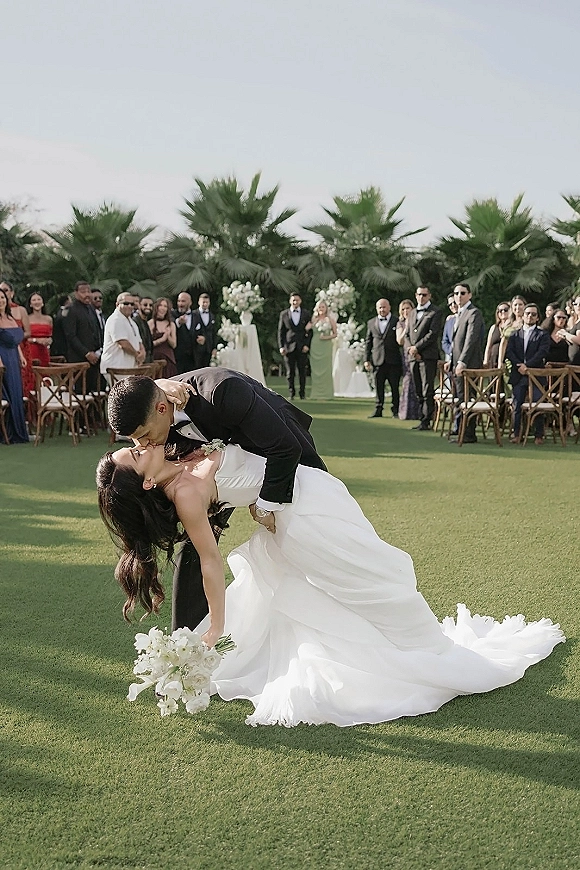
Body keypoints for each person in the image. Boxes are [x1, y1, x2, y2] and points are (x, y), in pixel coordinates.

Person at [97, 436, 564, 727]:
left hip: (311, 496)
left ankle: (420, 642)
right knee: (377, 583)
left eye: (135, 444)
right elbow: (210, 562)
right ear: (145, 483)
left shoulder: (179, 453)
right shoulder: (184, 495)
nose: (141, 445)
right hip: (302, 526)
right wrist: (216, 626)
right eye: (135, 455)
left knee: (378, 574)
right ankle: (428, 652)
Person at [106, 368, 327, 630]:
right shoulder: (156, 409)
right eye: (134, 440)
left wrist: (265, 505)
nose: (142, 444)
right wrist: (158, 383)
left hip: (283, 456)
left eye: (143, 435)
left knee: (315, 545)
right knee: (194, 550)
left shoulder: (222, 392)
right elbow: (143, 395)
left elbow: (285, 448)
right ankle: (187, 642)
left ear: (162, 410)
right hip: (213, 475)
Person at [505, 303, 551, 445]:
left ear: (538, 318)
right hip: (518, 374)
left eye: (533, 314)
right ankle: (517, 434)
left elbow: (542, 352)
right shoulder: (514, 334)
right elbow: (509, 352)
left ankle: (538, 435)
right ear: (523, 315)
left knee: (537, 404)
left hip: (535, 374)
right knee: (517, 405)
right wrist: (520, 365)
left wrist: (528, 365)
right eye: (527, 313)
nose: (530, 316)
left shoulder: (542, 334)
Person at [446, 283, 485, 444]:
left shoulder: (473, 313)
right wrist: (451, 360)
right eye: (456, 293)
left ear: (469, 295)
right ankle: (462, 431)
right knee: (460, 399)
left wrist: (462, 361)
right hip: (456, 364)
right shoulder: (459, 314)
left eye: (462, 293)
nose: (459, 296)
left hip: (468, 365)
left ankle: (469, 434)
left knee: (467, 399)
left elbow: (471, 340)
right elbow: (454, 341)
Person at [403, 287, 442, 430]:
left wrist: (417, 348)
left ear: (429, 296)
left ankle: (427, 420)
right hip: (413, 356)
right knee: (418, 388)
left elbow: (432, 334)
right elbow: (407, 334)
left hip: (427, 356)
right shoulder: (412, 313)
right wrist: (410, 349)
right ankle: (421, 418)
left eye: (424, 295)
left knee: (427, 389)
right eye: (419, 294)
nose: (421, 297)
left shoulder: (435, 312)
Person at [364, 298, 402, 418]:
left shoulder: (397, 321)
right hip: (377, 360)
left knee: (394, 387)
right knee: (378, 386)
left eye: (384, 307)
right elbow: (368, 342)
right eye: (380, 307)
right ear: (377, 309)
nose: (382, 309)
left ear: (389, 307)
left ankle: (396, 410)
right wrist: (366, 359)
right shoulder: (371, 323)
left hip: (393, 360)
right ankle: (378, 409)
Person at [0, 286, 28, 443]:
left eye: (2, 298)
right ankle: (7, 433)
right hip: (3, 359)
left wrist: (21, 355)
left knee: (16, 394)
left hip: (14, 359)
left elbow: (16, 341)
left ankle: (19, 432)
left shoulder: (11, 319)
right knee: (7, 394)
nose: (0, 301)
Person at [63, 281, 102, 392]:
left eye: (88, 291)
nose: (87, 294)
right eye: (83, 292)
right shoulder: (71, 310)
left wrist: (97, 352)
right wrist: (86, 353)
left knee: (94, 391)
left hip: (95, 358)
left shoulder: (91, 309)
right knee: (81, 391)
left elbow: (97, 330)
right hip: (79, 359)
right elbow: (71, 336)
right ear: (76, 294)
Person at [100, 292, 145, 382]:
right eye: (125, 303)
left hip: (128, 368)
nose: (129, 306)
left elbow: (139, 342)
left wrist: (142, 353)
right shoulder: (115, 319)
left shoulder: (131, 321)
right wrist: (137, 355)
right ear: (117, 304)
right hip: (115, 367)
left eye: (132, 304)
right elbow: (123, 343)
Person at [278, 293, 312, 400]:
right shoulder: (284, 314)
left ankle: (302, 394)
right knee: (290, 372)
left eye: (297, 300)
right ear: (290, 301)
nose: (295, 302)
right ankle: (291, 393)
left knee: (302, 371)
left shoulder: (306, 314)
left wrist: (307, 345)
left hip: (302, 346)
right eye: (293, 300)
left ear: (300, 301)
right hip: (289, 347)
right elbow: (281, 332)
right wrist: (281, 346)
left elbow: (310, 331)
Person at [22, 292, 53, 396]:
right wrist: (36, 340)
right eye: (34, 300)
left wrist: (49, 341)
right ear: (30, 304)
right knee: (32, 377)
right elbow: (24, 337)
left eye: (39, 300)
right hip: (31, 351)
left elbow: (50, 336)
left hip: (44, 352)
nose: (36, 302)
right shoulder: (27, 318)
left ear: (43, 303)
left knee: (45, 377)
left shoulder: (49, 319)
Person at [396, 299, 420, 421]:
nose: (406, 311)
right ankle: (406, 412)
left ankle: (418, 412)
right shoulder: (400, 323)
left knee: (417, 381)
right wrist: (407, 325)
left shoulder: (418, 321)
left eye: (408, 308)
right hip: (406, 354)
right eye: (403, 309)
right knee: (407, 381)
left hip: (417, 353)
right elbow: (399, 340)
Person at [308, 299, 337, 399]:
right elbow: (307, 329)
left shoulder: (330, 319)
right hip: (315, 345)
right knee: (315, 370)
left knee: (326, 369)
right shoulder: (314, 319)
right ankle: (315, 393)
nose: (321, 309)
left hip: (326, 346)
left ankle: (327, 394)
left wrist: (326, 338)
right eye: (319, 307)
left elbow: (335, 334)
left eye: (323, 307)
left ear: (326, 309)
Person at [149, 297, 177, 375]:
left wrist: (168, 336)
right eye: (160, 305)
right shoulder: (150, 323)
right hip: (154, 359)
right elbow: (148, 345)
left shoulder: (171, 324)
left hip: (168, 359)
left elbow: (174, 345)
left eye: (165, 306)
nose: (163, 308)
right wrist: (161, 339)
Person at [191, 293, 217, 370]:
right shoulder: (193, 314)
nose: (205, 304)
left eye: (207, 302)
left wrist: (214, 347)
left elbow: (213, 333)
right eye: (203, 302)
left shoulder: (212, 316)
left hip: (208, 349)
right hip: (195, 350)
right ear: (199, 302)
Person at [483, 301, 512, 368]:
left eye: (505, 310)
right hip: (493, 360)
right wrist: (486, 360)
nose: (503, 312)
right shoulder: (494, 327)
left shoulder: (512, 327)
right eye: (500, 310)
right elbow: (488, 346)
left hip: (507, 360)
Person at [173, 292, 196, 374]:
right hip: (178, 357)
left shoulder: (196, 316)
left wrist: (203, 338)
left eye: (183, 301)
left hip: (194, 358)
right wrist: (178, 322)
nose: (180, 304)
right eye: (179, 301)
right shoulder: (173, 314)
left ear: (190, 302)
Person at [557, 295, 580, 365]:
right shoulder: (577, 321)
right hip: (573, 362)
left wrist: (565, 334)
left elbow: (579, 340)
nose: (578, 306)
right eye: (576, 304)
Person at [133, 296, 154, 364]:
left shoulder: (145, 321)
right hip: (140, 361)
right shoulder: (135, 321)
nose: (148, 307)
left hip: (148, 360)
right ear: (139, 305)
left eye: (150, 305)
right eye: (145, 305)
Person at [441, 293, 457, 363]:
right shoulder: (449, 320)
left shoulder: (469, 316)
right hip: (449, 356)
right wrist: (450, 351)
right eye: (450, 304)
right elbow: (444, 341)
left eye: (454, 302)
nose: (453, 306)